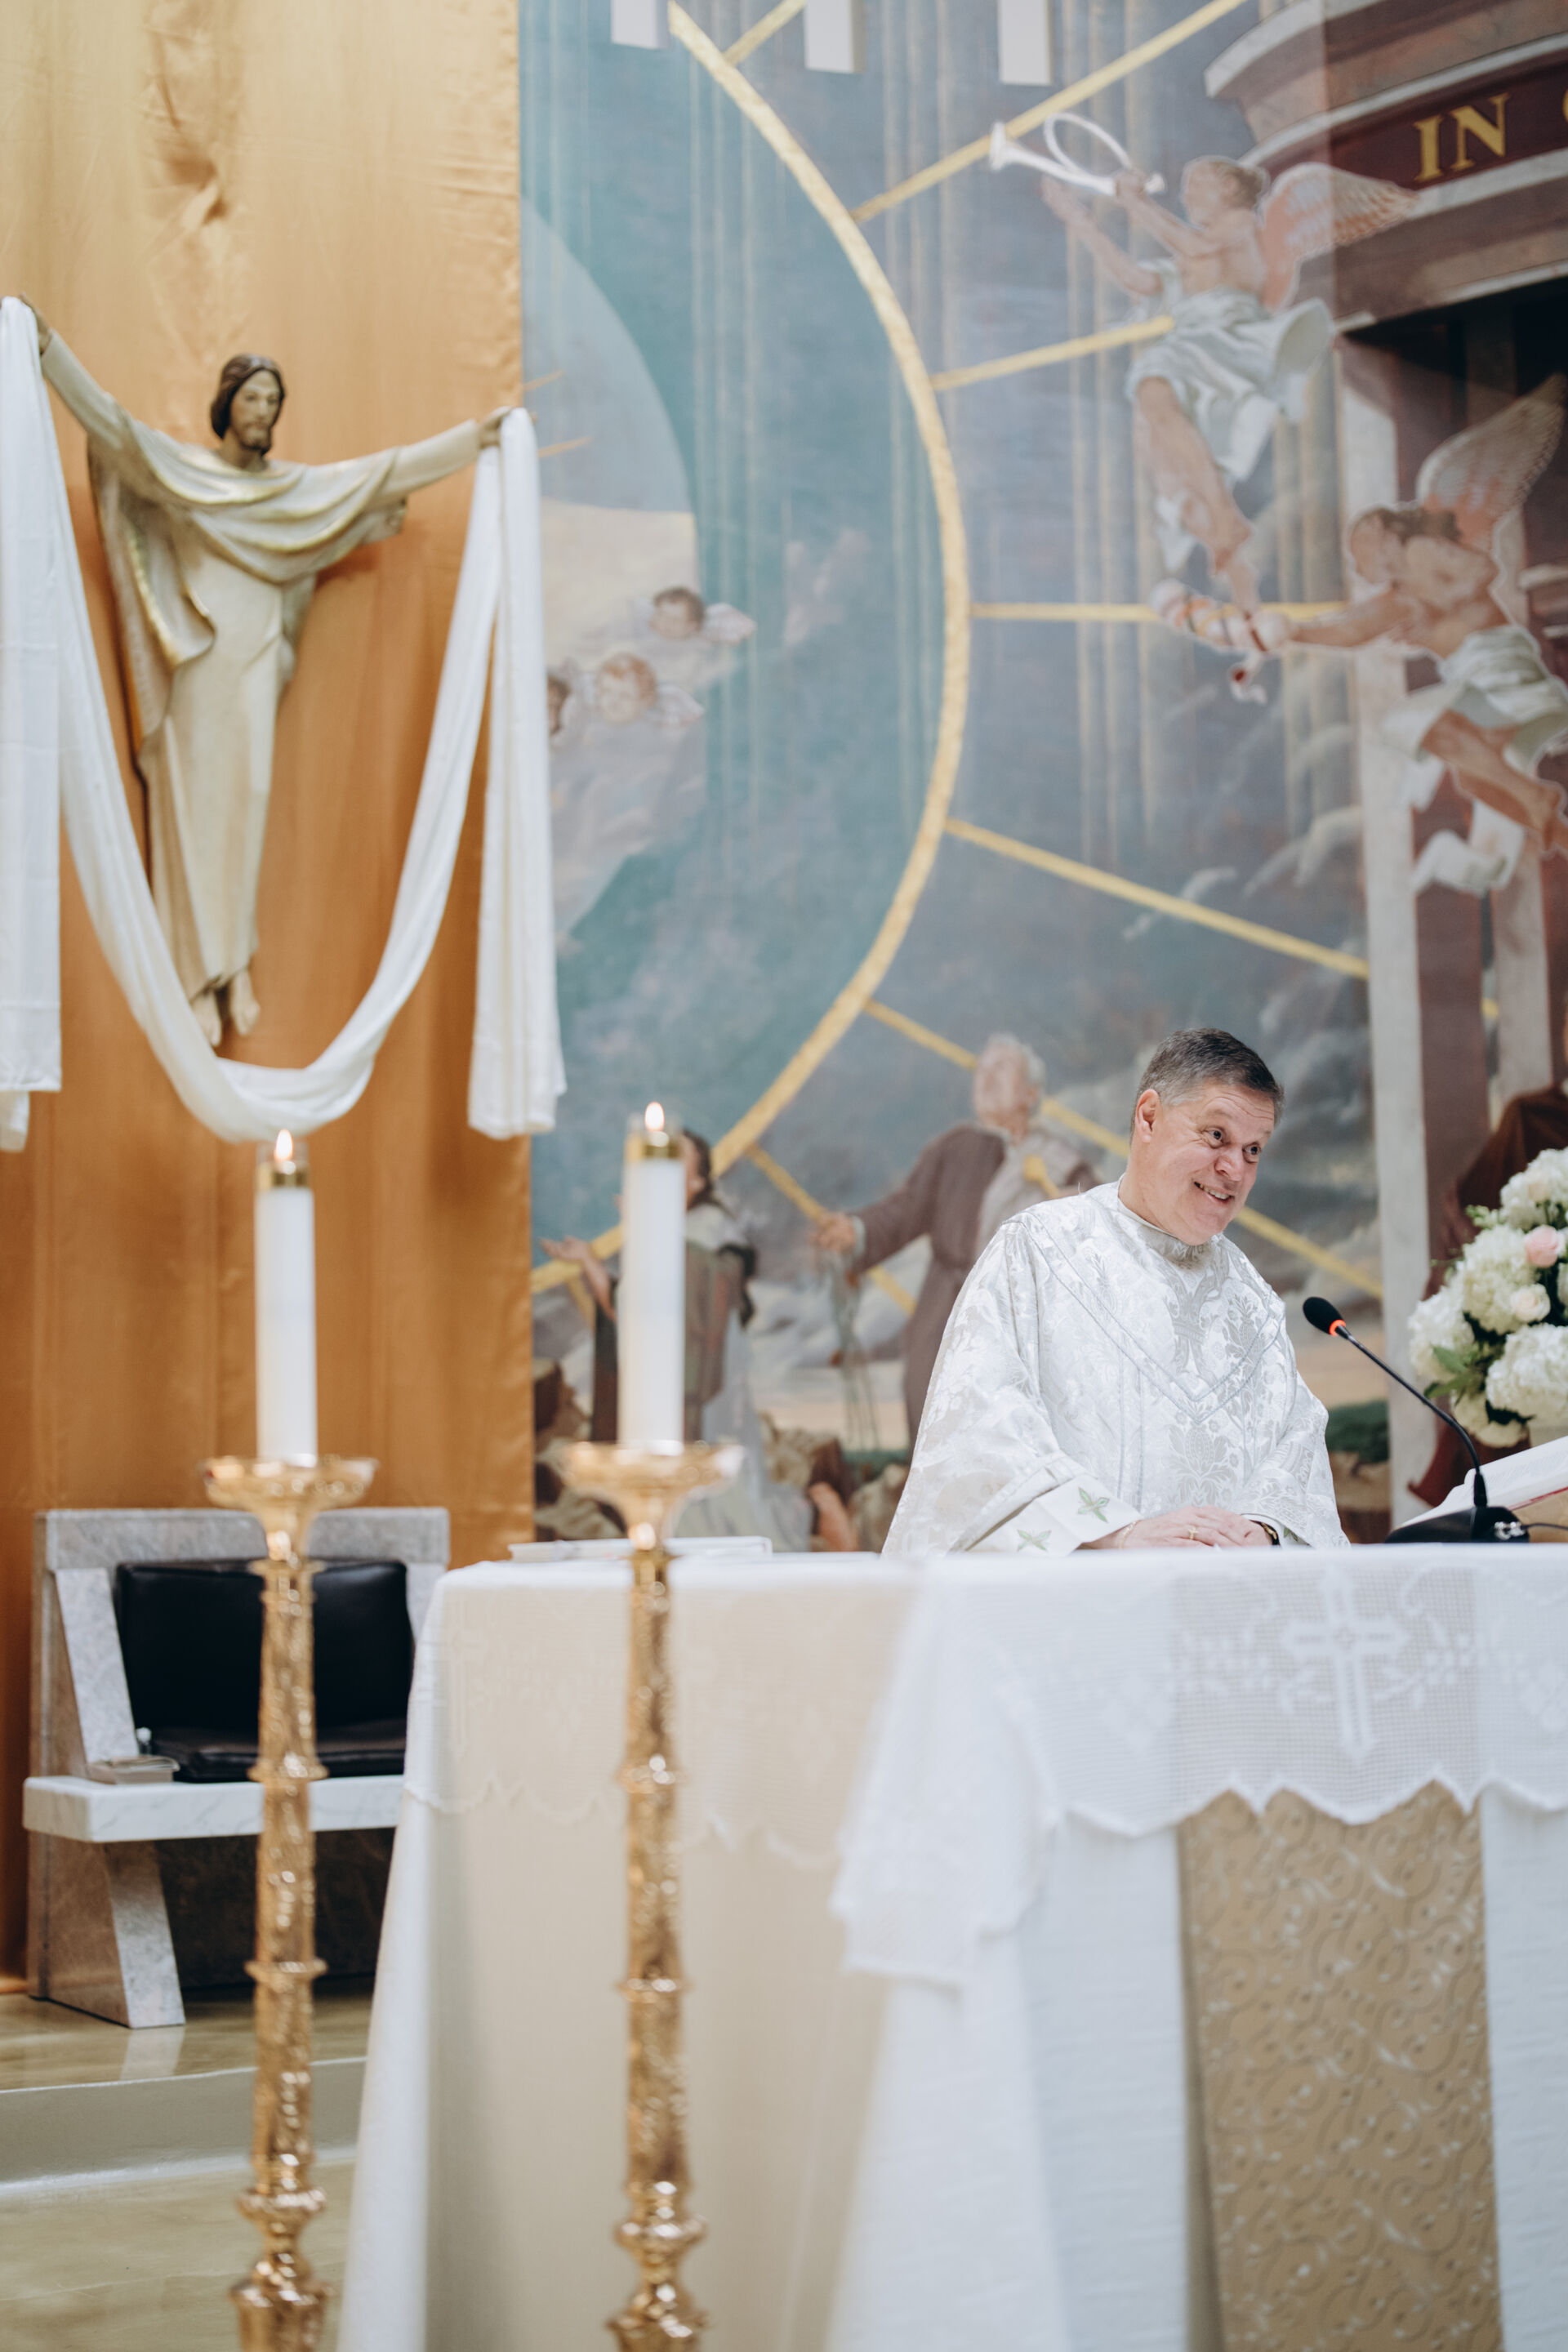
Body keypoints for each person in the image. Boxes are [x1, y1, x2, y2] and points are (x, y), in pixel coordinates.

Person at [31, 310, 507, 1043]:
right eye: (253, 398)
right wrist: (50, 352)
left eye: (273, 401)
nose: (263, 411)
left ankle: (233, 965)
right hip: (199, 663)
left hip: (255, 664)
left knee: (246, 808)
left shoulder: (290, 495)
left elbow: (382, 474)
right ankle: (194, 977)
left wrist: (474, 441)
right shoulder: (186, 475)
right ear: (228, 404)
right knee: (194, 814)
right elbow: (114, 428)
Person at [885, 1028, 1344, 1554]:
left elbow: (1296, 1447)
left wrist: (1265, 1529)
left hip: (1222, 1598)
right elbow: (980, 1430)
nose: (1234, 1170)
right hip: (1088, 1596)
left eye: (1253, 1150)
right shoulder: (1036, 1252)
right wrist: (1114, 1532)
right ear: (1148, 1118)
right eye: (1216, 1136)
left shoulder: (1253, 1303)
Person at [542, 1134, 815, 1551]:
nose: (664, 1168)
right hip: (664, 1393)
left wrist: (650, 1232)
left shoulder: (710, 1231)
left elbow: (703, 1314)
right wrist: (590, 1263)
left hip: (704, 1392)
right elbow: (630, 1311)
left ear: (698, 1181)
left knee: (713, 1504)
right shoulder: (670, 1237)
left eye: (676, 1159)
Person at [815, 1034, 1093, 1443]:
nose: (986, 1077)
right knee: (935, 1435)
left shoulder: (1063, 1163)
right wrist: (857, 1231)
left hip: (1021, 1322)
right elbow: (905, 1210)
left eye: (1001, 1069)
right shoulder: (953, 1150)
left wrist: (1076, 1215)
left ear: (1030, 1094)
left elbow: (1095, 1242)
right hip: (944, 1316)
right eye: (981, 1070)